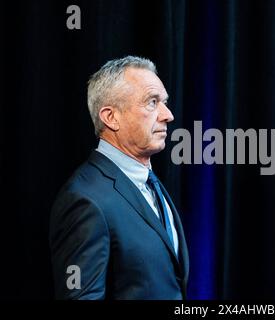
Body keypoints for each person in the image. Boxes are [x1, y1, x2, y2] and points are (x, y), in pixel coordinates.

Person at [49, 56, 189, 300]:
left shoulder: (148, 180)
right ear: (111, 117)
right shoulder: (84, 200)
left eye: (164, 102)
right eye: (152, 102)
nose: (168, 115)